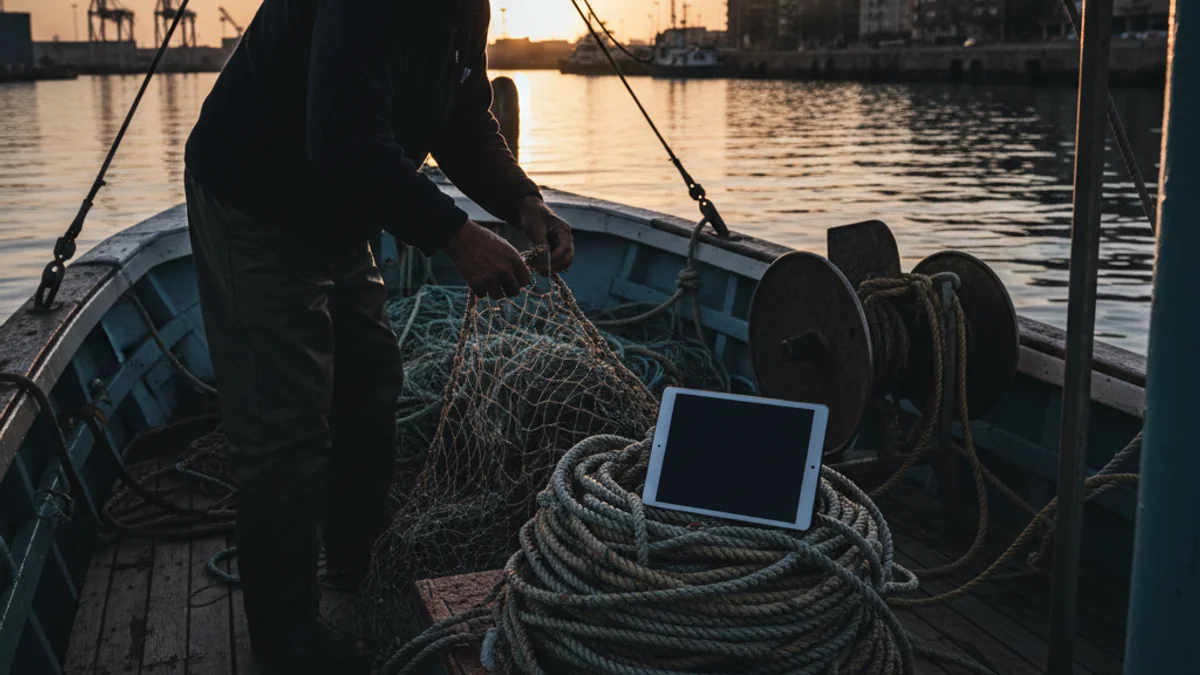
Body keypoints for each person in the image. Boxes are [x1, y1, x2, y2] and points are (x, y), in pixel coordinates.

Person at [182, 1, 574, 673]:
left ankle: (359, 562)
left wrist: (522, 200)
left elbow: (462, 116)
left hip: (339, 207)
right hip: (256, 198)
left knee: (369, 382)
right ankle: (287, 634)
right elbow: (341, 137)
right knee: (285, 426)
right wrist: (454, 235)